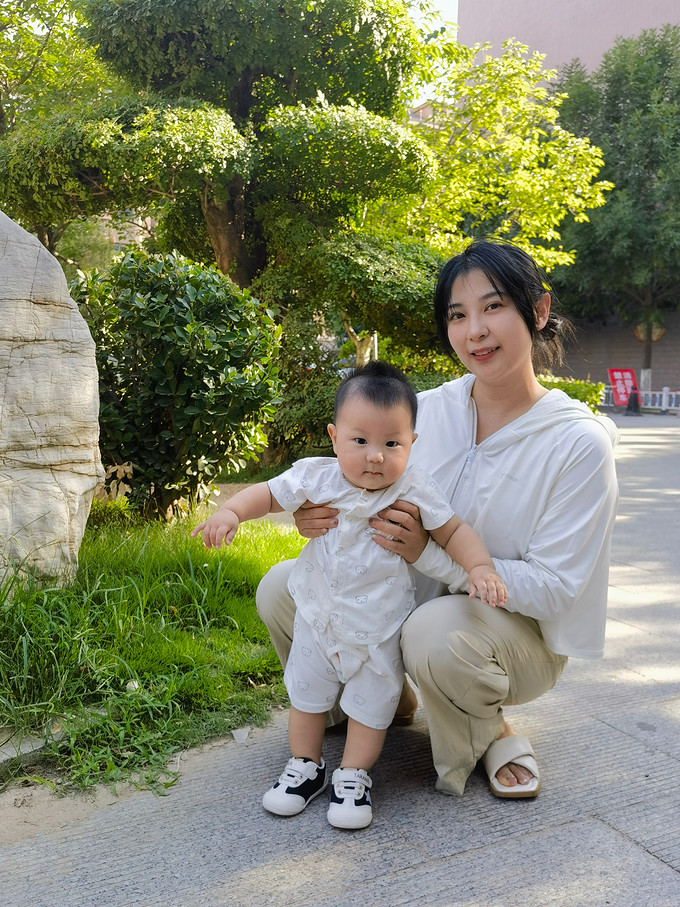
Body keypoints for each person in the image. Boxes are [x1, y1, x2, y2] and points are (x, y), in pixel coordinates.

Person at [256, 239, 619, 801]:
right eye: (458, 314)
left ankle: (489, 729)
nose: (475, 330)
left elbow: (555, 590)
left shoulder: (577, 443)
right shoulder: (430, 408)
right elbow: (358, 475)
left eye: (493, 307)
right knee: (283, 586)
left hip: (510, 635)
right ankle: (368, 698)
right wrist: (317, 515)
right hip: (399, 608)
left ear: (539, 310)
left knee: (438, 632)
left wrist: (431, 555)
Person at [192, 361, 506, 828]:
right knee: (307, 697)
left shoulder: (415, 489)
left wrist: (479, 567)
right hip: (319, 621)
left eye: (391, 443)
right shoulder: (317, 477)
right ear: (335, 436)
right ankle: (306, 766)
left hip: (379, 630)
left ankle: (353, 776)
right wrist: (232, 513)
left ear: (411, 445)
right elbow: (268, 493)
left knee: (369, 710)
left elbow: (454, 530)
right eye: (360, 441)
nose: (375, 456)